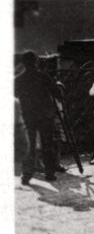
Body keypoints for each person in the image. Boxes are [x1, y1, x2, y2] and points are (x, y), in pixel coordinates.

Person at [14, 50, 62, 183]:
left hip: (28, 116)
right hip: (45, 116)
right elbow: (57, 94)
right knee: (47, 145)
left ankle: (26, 175)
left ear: (23, 63)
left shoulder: (18, 80)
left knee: (29, 146)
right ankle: (49, 173)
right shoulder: (44, 77)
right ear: (36, 61)